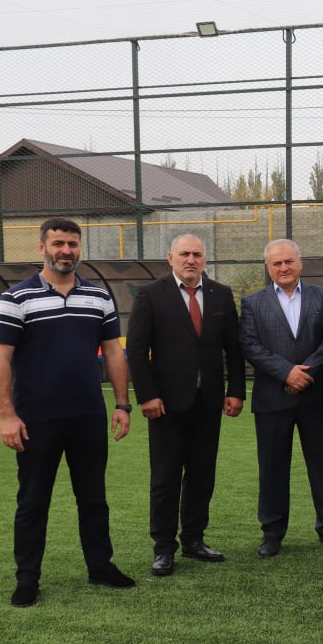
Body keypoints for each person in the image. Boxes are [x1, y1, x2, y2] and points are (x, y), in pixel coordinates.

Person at [0, 217, 136, 607]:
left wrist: (122, 404)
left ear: (79, 248)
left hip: (88, 416)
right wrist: (7, 415)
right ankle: (27, 578)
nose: (66, 251)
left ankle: (100, 566)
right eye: (58, 243)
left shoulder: (98, 296)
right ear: (42, 247)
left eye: (72, 244)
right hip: (36, 420)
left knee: (94, 498)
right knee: (33, 501)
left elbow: (114, 352)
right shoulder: (16, 298)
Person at [127, 233, 245, 576]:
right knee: (165, 478)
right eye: (184, 254)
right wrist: (147, 395)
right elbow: (136, 350)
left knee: (202, 476)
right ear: (171, 258)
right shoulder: (151, 294)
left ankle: (194, 539)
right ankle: (164, 548)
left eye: (196, 254)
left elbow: (233, 348)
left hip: (208, 403)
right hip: (165, 405)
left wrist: (236, 390)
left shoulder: (221, 294)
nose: (191, 260)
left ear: (204, 259)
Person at [239, 239, 323, 558]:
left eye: (289, 261)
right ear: (268, 267)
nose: (284, 267)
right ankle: (272, 532)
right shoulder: (252, 302)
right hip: (273, 398)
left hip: (317, 395)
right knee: (272, 468)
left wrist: (304, 373)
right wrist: (286, 372)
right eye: (277, 263)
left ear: (300, 263)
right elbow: (249, 344)